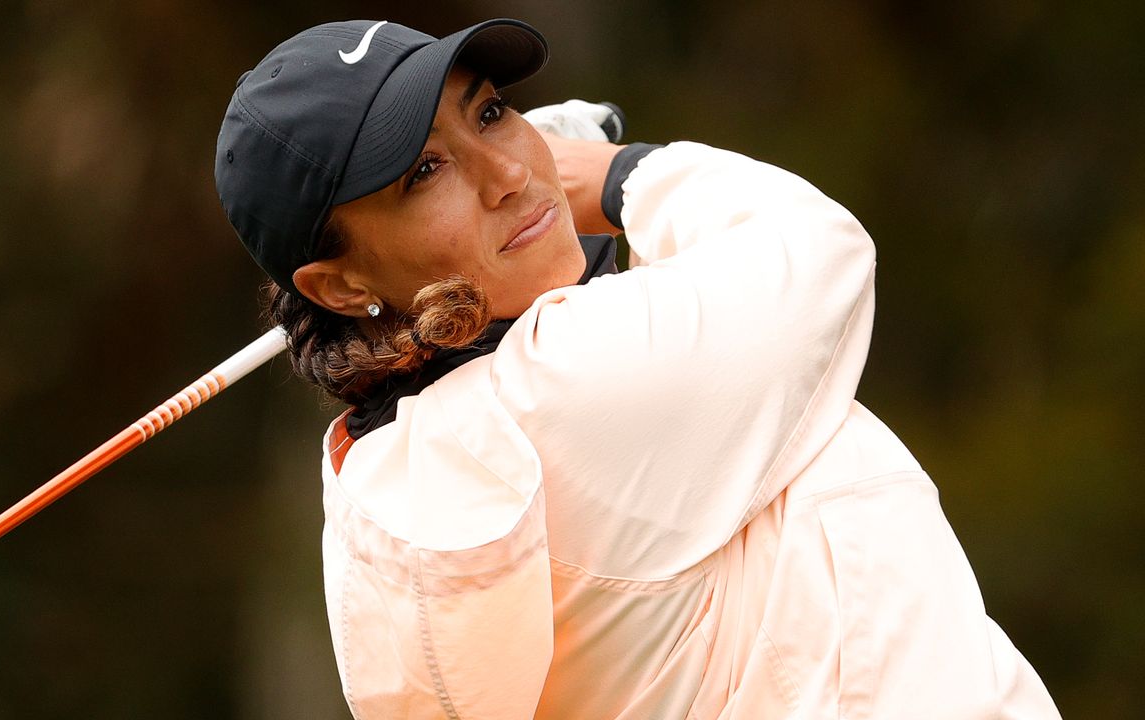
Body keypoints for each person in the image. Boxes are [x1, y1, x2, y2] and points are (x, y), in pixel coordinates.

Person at [214, 18, 1061, 720]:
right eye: (425, 171)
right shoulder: (558, 395)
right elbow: (817, 250)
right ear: (339, 283)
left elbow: (587, 300)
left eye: (493, 112)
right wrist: (620, 176)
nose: (510, 172)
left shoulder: (399, 455)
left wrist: (538, 221)